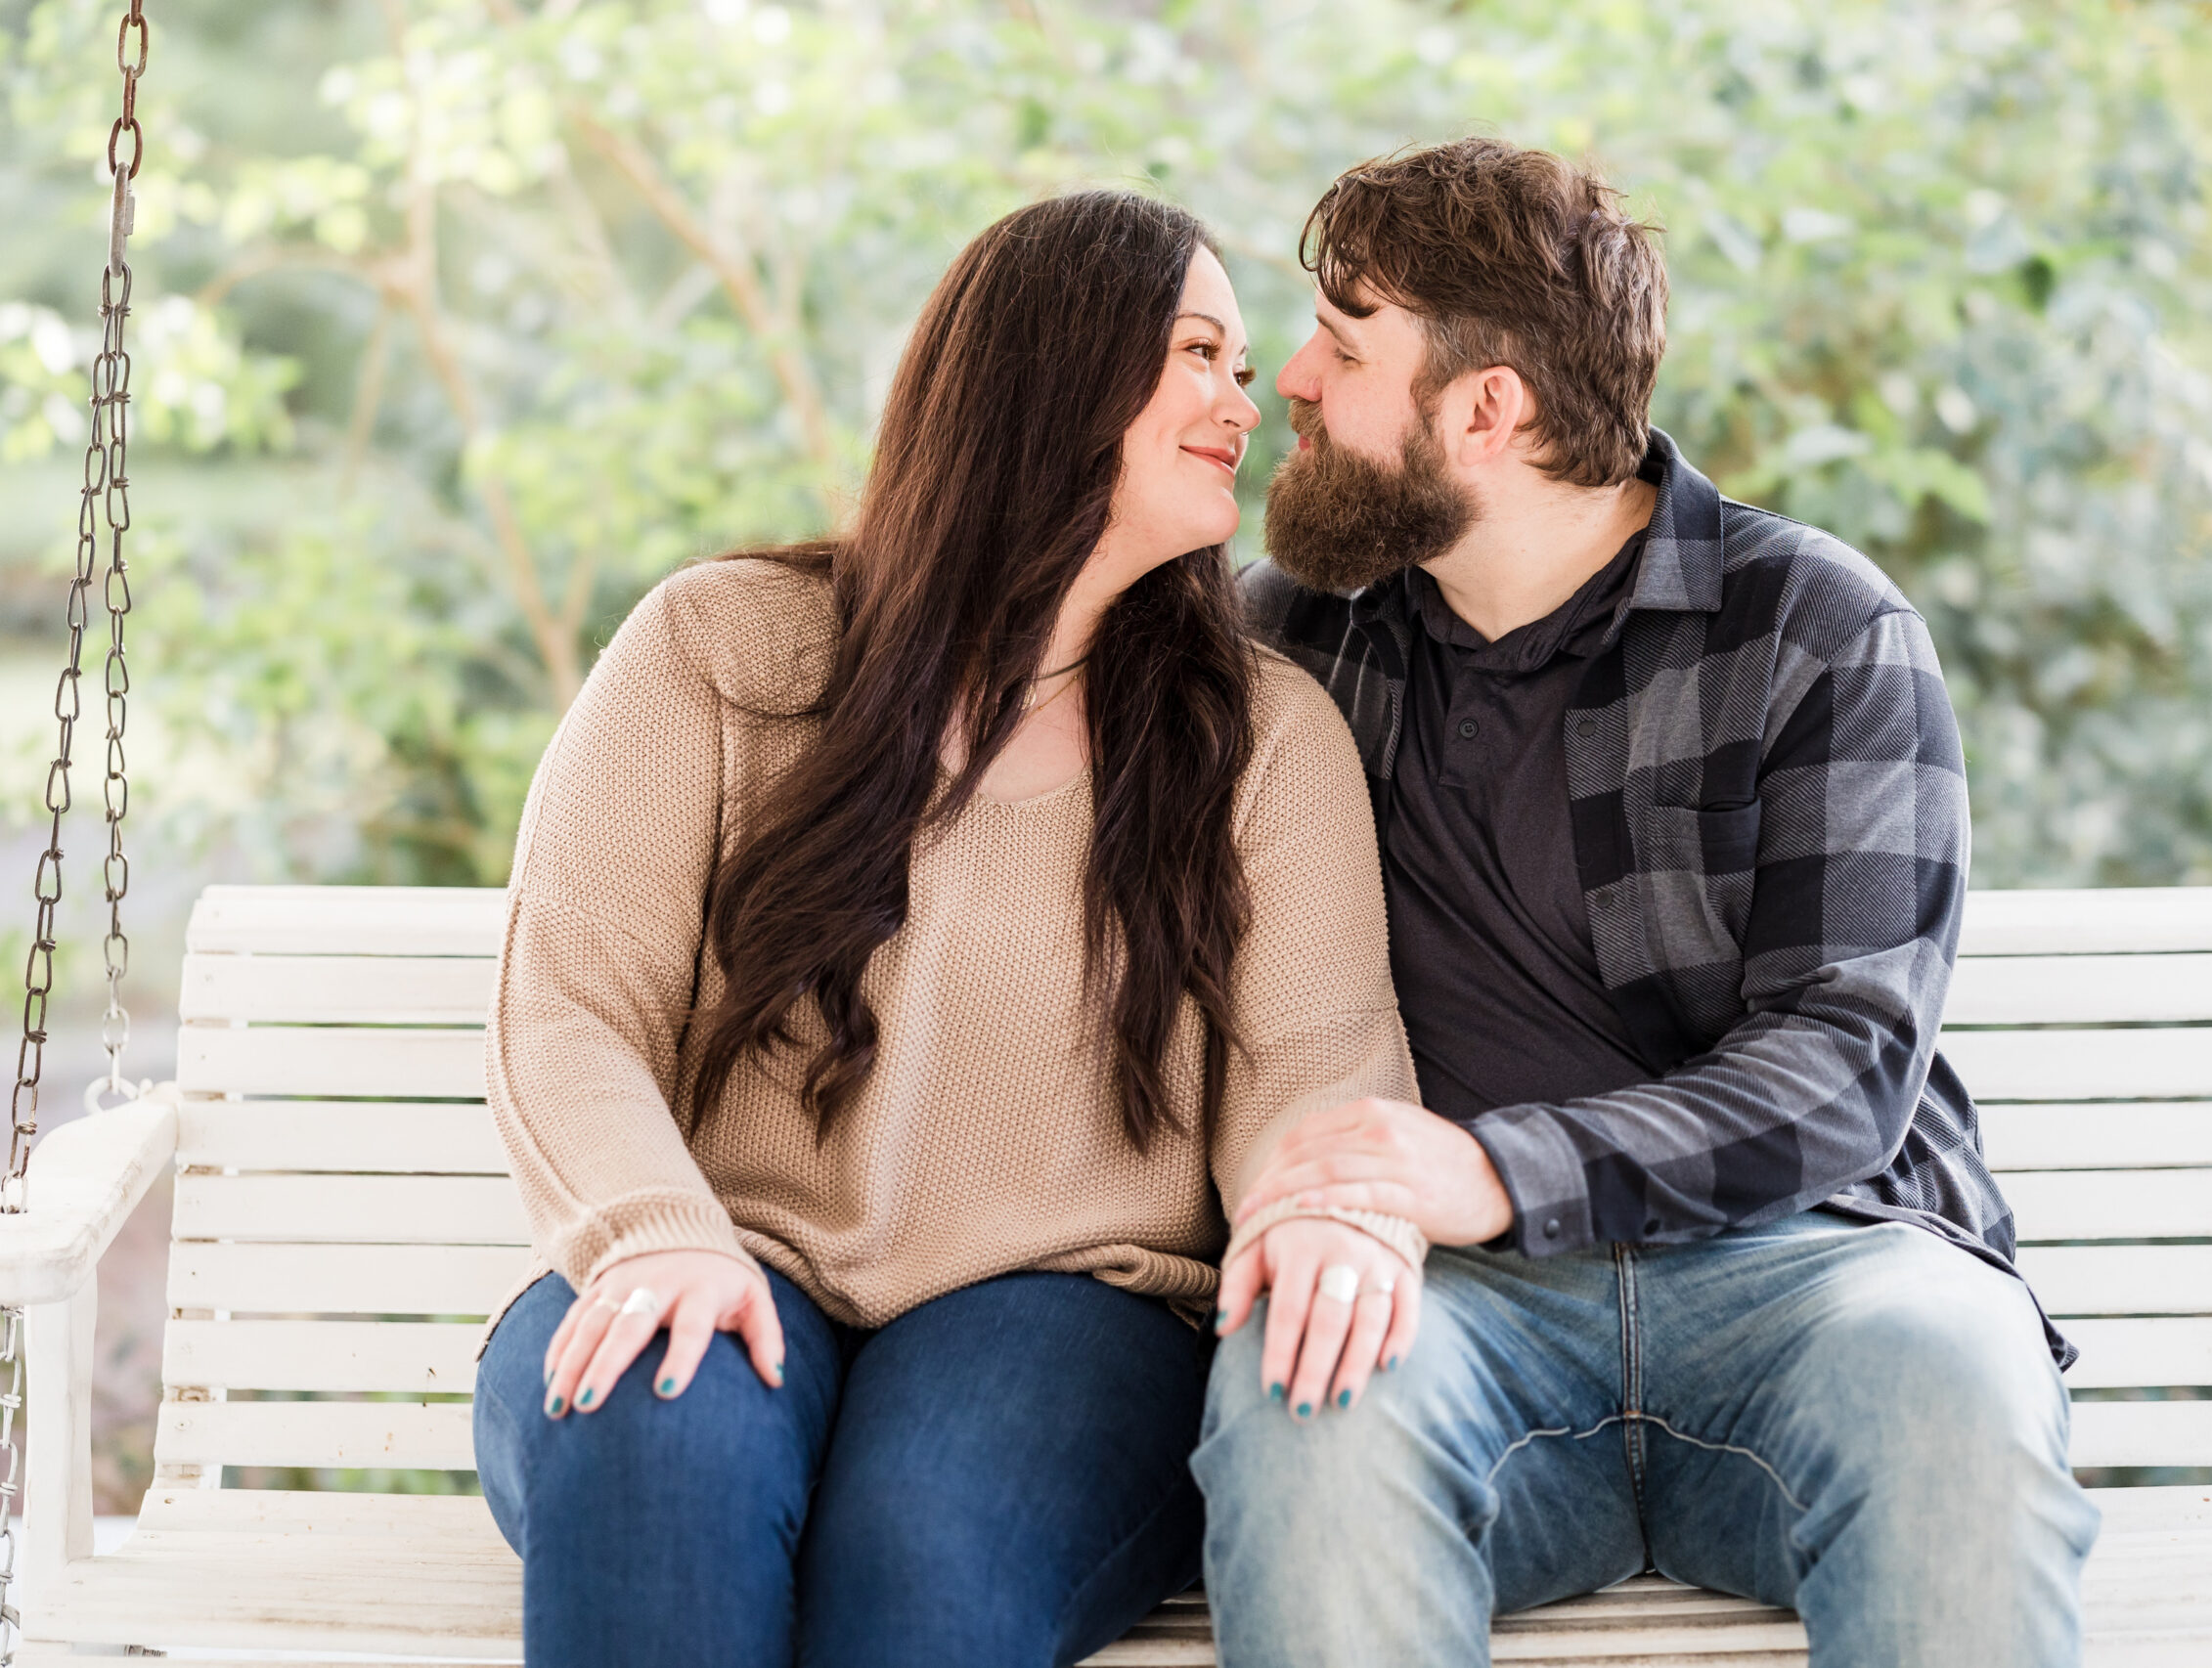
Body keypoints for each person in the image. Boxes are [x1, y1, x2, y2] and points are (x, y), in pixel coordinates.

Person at [469, 190, 1420, 1668]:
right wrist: (653, 1238)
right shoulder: (719, 653)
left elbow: (1315, 1062)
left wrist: (1317, 1215)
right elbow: (573, 1005)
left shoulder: (1262, 735)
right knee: (660, 1448)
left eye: (1243, 364)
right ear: (1059, 368)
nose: (1251, 398)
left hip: (1068, 1309)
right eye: (1202, 353)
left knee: (921, 1552)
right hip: (712, 1252)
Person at [1197, 139, 2101, 1668]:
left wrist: (1498, 1167)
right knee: (1303, 1391)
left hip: (1813, 1275)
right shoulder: (1292, 646)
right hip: (1461, 1314)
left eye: (1345, 347)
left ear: (1489, 411)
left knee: (1959, 1375)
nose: (1289, 378)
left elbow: (1846, 1064)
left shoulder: (1814, 628)